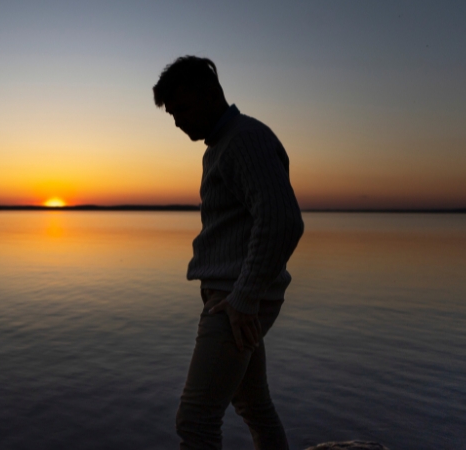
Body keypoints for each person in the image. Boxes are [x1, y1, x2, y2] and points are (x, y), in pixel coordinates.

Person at [153, 56, 304, 450]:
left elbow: (282, 220)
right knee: (253, 403)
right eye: (171, 114)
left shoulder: (244, 139)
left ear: (211, 95)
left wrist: (243, 297)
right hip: (233, 297)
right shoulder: (221, 145)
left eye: (182, 109)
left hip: (234, 302)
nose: (177, 122)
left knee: (196, 422)